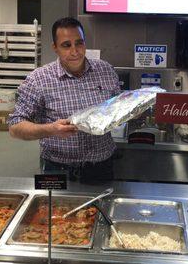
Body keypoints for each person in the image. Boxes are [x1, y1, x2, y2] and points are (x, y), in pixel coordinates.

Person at [8, 17, 120, 183]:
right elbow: (14, 126)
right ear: (55, 48)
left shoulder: (106, 70)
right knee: (53, 210)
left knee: (102, 209)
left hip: (102, 167)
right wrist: (51, 129)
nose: (75, 51)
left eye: (79, 43)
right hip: (57, 169)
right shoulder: (38, 79)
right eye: (66, 45)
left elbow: (118, 107)